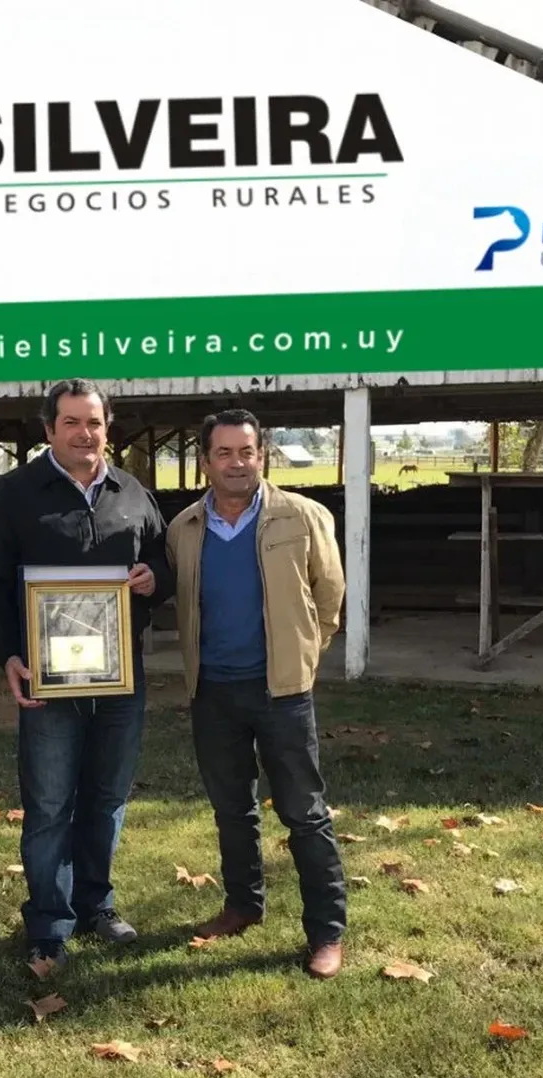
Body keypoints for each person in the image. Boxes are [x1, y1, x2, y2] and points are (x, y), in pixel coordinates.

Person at [0, 378, 174, 973]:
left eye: (95, 423)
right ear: (48, 430)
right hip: (48, 678)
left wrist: (155, 580)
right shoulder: (13, 495)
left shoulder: (132, 493)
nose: (85, 434)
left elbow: (163, 560)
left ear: (108, 429)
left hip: (119, 677)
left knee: (107, 797)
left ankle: (95, 904)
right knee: (51, 802)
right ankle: (49, 924)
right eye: (72, 423)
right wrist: (6, 655)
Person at [165, 408, 348, 979]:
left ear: (262, 456)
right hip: (212, 692)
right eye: (224, 453)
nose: (237, 463)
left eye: (247, 451)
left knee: (305, 813)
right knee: (231, 809)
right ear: (205, 462)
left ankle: (326, 932)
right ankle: (243, 905)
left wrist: (302, 657)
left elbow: (329, 598)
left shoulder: (303, 517)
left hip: (282, 693)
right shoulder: (184, 529)